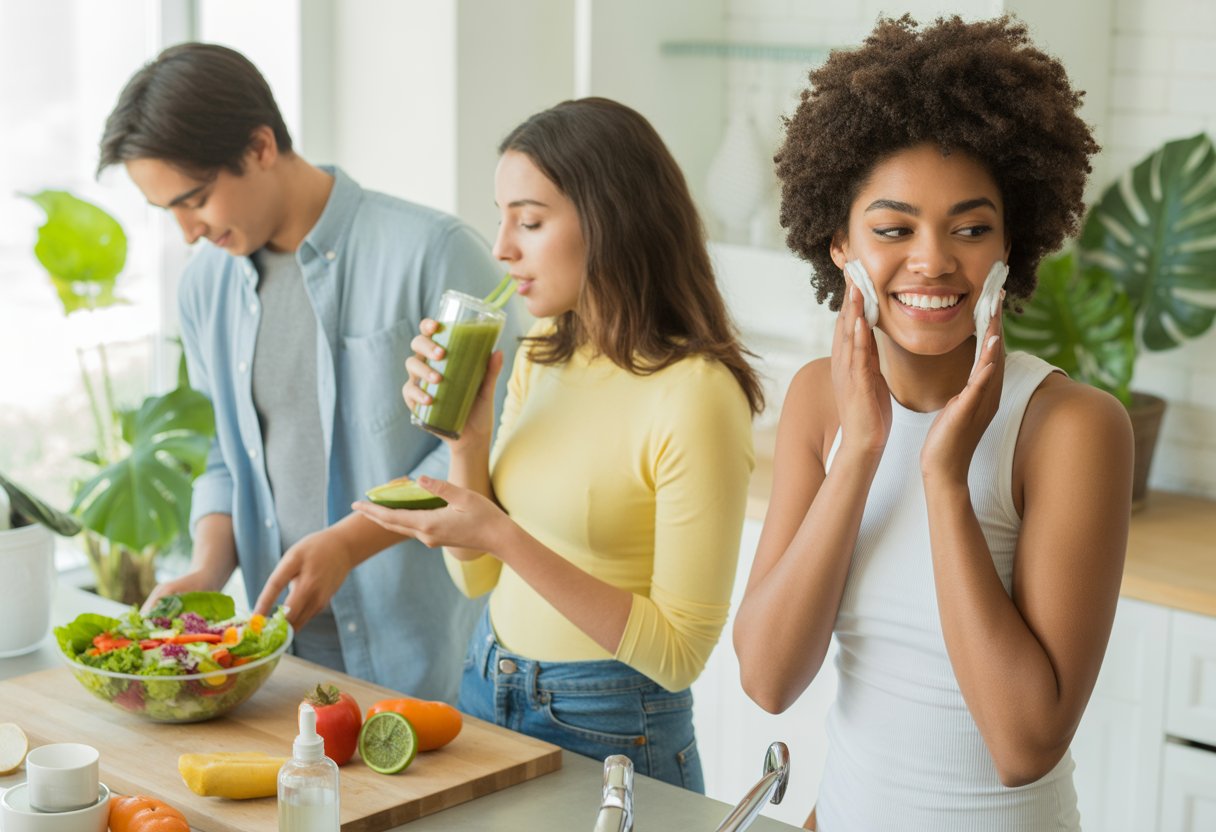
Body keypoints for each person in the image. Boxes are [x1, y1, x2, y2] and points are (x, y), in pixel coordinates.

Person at [731, 15, 1133, 831]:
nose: (933, 260)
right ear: (839, 243)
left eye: (971, 228)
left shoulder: (1070, 429)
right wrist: (863, 450)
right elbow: (769, 678)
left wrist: (945, 481)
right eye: (892, 228)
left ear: (1012, 245)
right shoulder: (820, 401)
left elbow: (1025, 745)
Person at [353, 97, 763, 790]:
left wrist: (504, 535)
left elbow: (679, 653)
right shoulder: (544, 351)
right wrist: (466, 441)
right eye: (503, 216)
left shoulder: (696, 395)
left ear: (610, 221)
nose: (502, 246)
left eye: (531, 221)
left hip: (612, 726)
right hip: (487, 685)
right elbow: (477, 578)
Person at [97, 42, 521, 702]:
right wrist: (210, 566)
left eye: (197, 199)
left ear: (262, 146)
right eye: (169, 212)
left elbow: (482, 450)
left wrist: (348, 544)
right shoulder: (205, 285)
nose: (187, 231)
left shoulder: (433, 254)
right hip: (280, 663)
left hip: (427, 665)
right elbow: (220, 453)